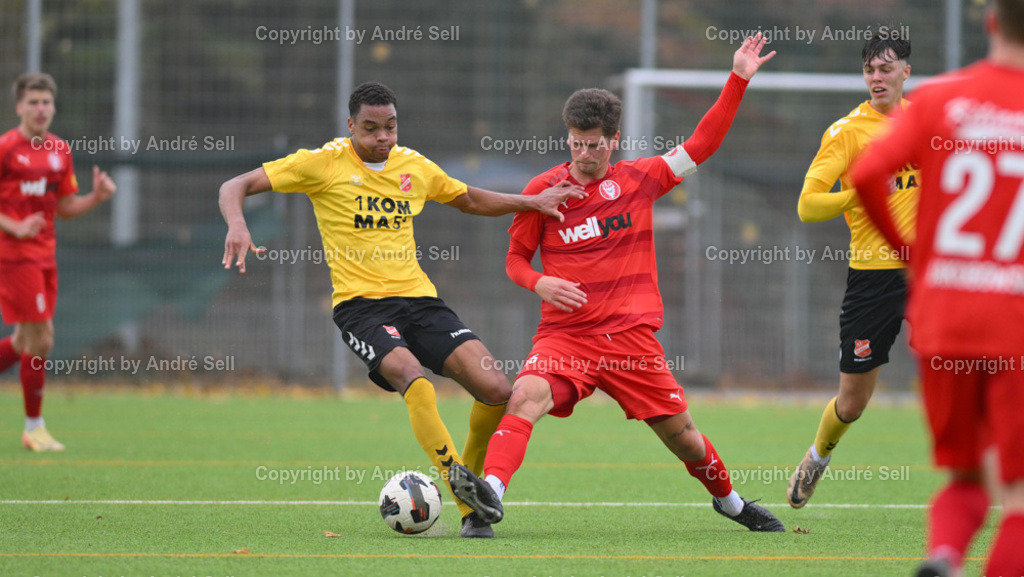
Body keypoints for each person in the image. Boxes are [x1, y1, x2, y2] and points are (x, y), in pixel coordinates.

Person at [448, 34, 785, 534]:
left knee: (685, 438)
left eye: (594, 143)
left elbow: (702, 144)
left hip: (632, 341)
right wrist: (539, 283)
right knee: (524, 398)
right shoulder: (543, 190)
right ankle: (488, 501)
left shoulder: (640, 180)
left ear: (614, 140)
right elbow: (516, 260)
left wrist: (737, 78)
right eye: (575, 142)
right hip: (567, 337)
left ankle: (731, 503)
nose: (583, 153)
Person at [219, 81, 584, 538]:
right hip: (361, 308)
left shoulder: (413, 166)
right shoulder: (321, 163)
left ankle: (471, 495)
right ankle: (459, 486)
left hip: (419, 301)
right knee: (414, 378)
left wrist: (530, 201)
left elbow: (468, 198)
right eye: (370, 129)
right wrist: (237, 223)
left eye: (390, 126)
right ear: (350, 126)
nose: (383, 137)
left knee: (495, 386)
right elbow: (236, 185)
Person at [852, 1, 1024, 574]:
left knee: (966, 474)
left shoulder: (941, 98)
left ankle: (945, 555)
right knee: (1018, 496)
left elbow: (866, 173)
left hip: (945, 317)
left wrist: (909, 257)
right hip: (1014, 325)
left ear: (991, 22)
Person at [786, 32, 918, 508]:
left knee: (967, 371)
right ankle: (817, 458)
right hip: (872, 277)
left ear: (906, 71)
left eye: (886, 68)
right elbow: (807, 206)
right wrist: (859, 193)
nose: (876, 77)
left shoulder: (926, 123)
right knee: (852, 404)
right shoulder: (847, 131)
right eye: (869, 70)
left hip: (927, 273)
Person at [0, 73, 116, 452]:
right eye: (32, 102)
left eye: (46, 102)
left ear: (53, 107)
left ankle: (34, 426)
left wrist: (96, 197)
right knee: (43, 338)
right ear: (19, 107)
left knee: (22, 342)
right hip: (16, 258)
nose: (40, 109)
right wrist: (14, 226)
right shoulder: (6, 149)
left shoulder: (60, 151)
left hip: (46, 258)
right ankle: (34, 427)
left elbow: (65, 207)